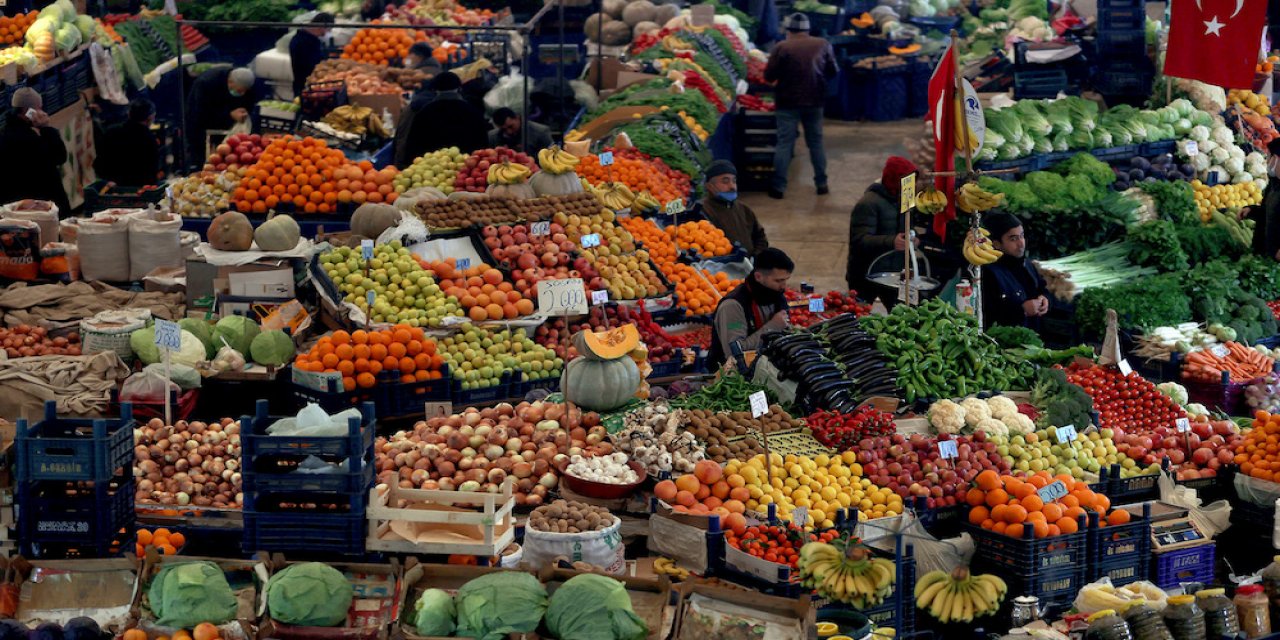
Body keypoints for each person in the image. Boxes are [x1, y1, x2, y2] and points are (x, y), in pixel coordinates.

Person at [764, 13, 837, 199]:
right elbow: (833, 71)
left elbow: (769, 76)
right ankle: (822, 184)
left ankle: (778, 187)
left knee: (784, 143)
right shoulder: (823, 44)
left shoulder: (781, 47)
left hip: (786, 103)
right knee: (816, 143)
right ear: (807, 30)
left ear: (789, 31)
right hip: (815, 101)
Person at [708, 248, 794, 369]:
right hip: (731, 375)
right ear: (758, 276)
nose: (784, 286)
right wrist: (772, 327)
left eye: (786, 279)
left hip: (765, 367)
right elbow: (734, 353)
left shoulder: (775, 294)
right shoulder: (732, 306)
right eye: (778, 280)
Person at [846, 156, 918, 294]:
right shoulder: (868, 203)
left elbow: (909, 225)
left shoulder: (906, 197)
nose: (911, 185)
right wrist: (892, 242)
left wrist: (913, 237)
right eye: (906, 180)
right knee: (861, 307)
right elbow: (859, 240)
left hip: (896, 272)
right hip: (867, 273)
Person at [393, 72, 489, 168]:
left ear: (434, 90)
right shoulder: (472, 112)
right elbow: (482, 145)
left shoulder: (424, 113)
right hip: (468, 169)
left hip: (431, 169)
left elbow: (413, 146)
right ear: (459, 89)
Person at [0, 88, 69, 214]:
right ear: (28, 111)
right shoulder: (28, 138)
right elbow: (59, 156)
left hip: (15, 206)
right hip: (37, 206)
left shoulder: (5, 133)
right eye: (39, 108)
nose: (42, 112)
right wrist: (46, 128)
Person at [981, 211, 1050, 329]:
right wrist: (1021, 310)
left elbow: (1041, 288)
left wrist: (1045, 299)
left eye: (1022, 236)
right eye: (1013, 239)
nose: (1021, 243)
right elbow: (987, 312)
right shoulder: (988, 272)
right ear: (997, 244)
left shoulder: (1026, 263)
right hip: (1004, 338)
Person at [185, 67, 256, 170]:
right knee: (201, 160)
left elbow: (249, 101)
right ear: (230, 82)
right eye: (239, 91)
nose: (241, 94)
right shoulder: (206, 84)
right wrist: (229, 115)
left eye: (244, 91)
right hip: (200, 126)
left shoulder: (244, 82)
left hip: (226, 129)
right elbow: (201, 114)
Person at [700, 159, 769, 255]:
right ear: (709, 186)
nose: (732, 186)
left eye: (734, 181)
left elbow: (760, 237)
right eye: (725, 181)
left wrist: (756, 257)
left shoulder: (744, 209)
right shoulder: (702, 211)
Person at [95, 98, 160, 187]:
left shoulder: (111, 132)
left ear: (129, 114)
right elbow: (152, 173)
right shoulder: (149, 139)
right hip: (140, 189)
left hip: (111, 187)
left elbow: (99, 164)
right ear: (150, 118)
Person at [1248, 138, 1280, 260]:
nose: (1267, 161)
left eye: (1268, 157)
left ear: (1276, 159)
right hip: (1266, 254)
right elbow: (1268, 212)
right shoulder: (1274, 184)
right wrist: (1251, 210)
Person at [289, 13, 334, 99]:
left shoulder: (311, 39)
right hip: (306, 89)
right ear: (321, 27)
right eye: (328, 29)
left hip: (311, 87)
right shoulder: (303, 43)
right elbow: (311, 67)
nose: (327, 33)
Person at [487, 107, 554, 154]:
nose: (509, 132)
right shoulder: (492, 136)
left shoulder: (541, 132)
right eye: (503, 129)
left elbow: (550, 156)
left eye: (511, 126)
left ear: (517, 118)